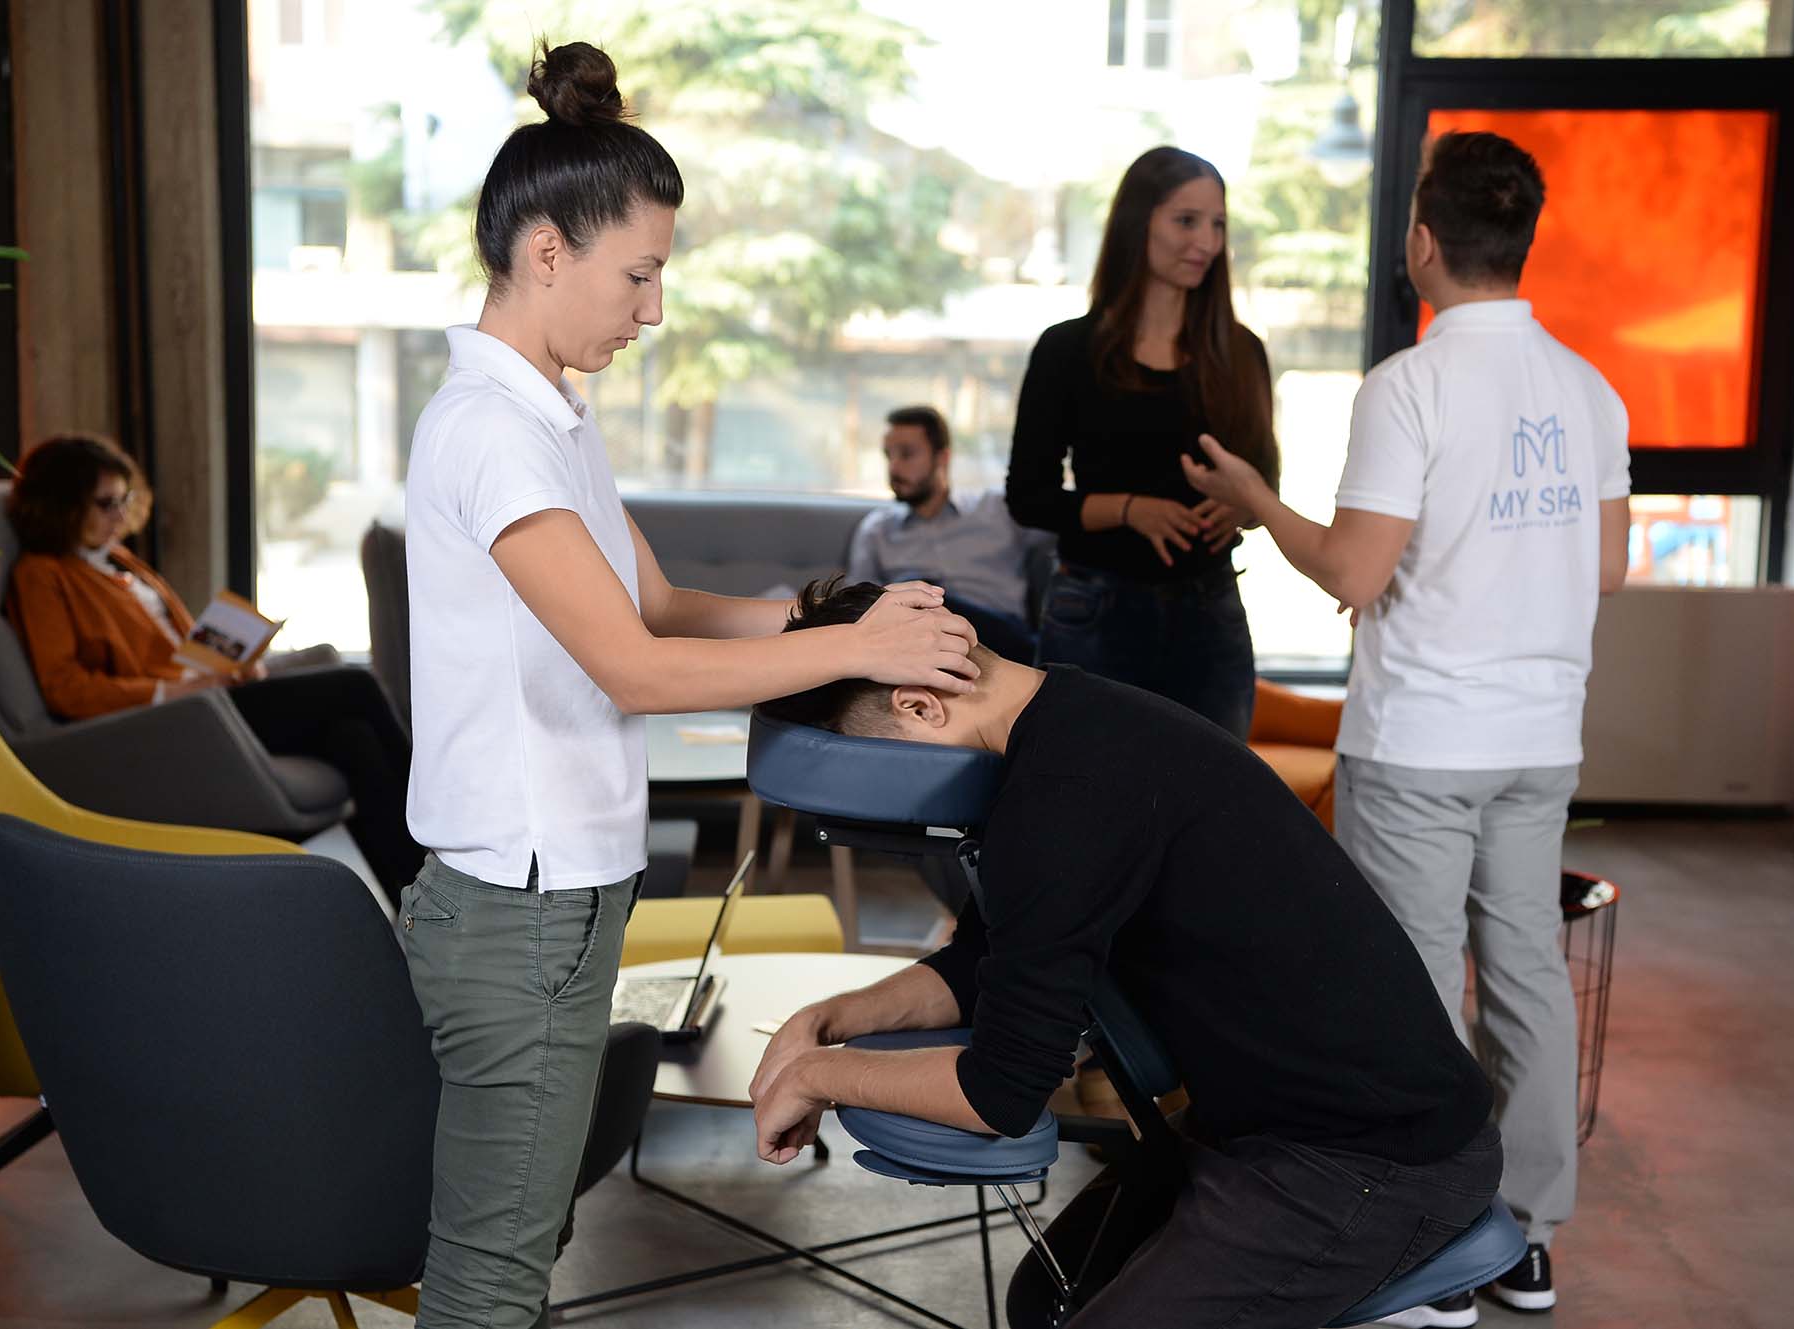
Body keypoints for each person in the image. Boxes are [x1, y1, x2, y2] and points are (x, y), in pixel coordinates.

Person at [398, 42, 978, 1329]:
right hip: (519, 910)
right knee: (490, 1279)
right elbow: (635, 667)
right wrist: (855, 656)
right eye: (639, 274)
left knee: (516, 1252)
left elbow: (657, 605)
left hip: (557, 900)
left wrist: (838, 616)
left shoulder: (552, 417)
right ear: (545, 253)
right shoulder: (490, 433)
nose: (653, 309)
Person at [748, 577, 1501, 1329]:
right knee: (1044, 1300)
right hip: (1264, 1123)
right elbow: (983, 961)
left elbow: (998, 1094)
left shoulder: (1063, 795)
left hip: (1372, 1158)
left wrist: (818, 1075)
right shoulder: (1069, 720)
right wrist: (826, 1021)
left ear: (921, 705)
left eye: (873, 761)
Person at [1180, 131, 1630, 1324]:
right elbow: (1603, 567)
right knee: (1525, 977)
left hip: (1424, 738)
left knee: (1412, 990)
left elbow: (1351, 571)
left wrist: (1252, 499)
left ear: (1422, 243)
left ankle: (1433, 1244)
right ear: (1518, 243)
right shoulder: (1586, 389)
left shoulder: (1408, 387)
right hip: (1539, 737)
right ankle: (1525, 1243)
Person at [3, 432, 423, 904]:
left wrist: (234, 664)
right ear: (62, 505)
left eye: (124, 500)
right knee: (354, 685)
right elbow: (65, 688)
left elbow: (179, 647)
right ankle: (439, 825)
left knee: (352, 738)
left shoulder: (117, 560)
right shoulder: (42, 575)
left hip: (208, 697)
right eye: (105, 504)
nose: (120, 516)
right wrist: (175, 692)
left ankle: (420, 898)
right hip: (175, 720)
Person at [1005, 145, 1277, 738]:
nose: (1206, 241)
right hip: (1094, 609)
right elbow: (1028, 498)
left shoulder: (1242, 352)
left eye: (1218, 224)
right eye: (1187, 220)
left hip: (1212, 611)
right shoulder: (1066, 350)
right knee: (1085, 785)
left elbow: (1266, 488)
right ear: (1138, 223)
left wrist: (1242, 506)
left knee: (1213, 791)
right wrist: (1132, 510)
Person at [845, 404, 1050, 662]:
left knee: (918, 588)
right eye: (889, 456)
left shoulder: (998, 510)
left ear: (942, 457)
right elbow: (856, 605)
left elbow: (1063, 540)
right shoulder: (876, 529)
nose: (894, 468)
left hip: (1002, 641)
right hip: (919, 646)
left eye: (907, 454)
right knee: (910, 594)